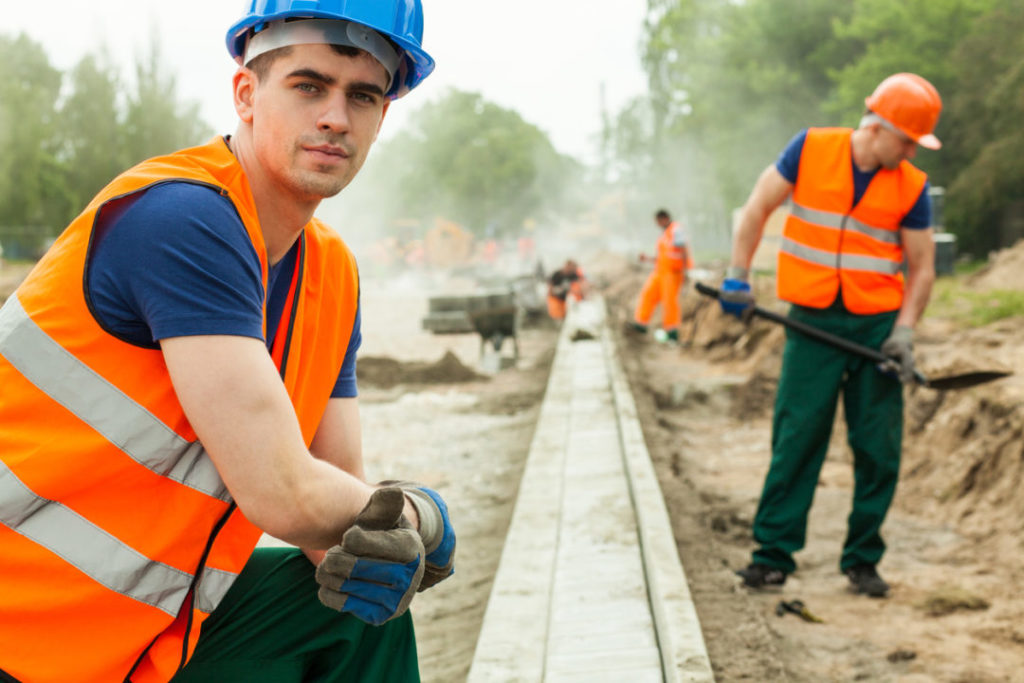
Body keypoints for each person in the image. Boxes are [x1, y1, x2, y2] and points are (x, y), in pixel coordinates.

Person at [0, 2, 456, 682]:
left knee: (353, 615)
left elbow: (332, 512)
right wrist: (423, 516)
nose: (336, 116)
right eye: (309, 86)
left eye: (363, 95)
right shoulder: (184, 220)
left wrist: (379, 547)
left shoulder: (331, 274)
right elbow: (283, 492)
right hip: (22, 628)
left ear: (381, 118)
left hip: (143, 634)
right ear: (246, 93)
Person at [719, 72, 942, 598]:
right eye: (908, 139)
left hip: (875, 330)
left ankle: (862, 560)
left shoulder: (910, 185)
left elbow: (923, 266)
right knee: (797, 437)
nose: (911, 151)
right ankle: (772, 556)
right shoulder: (810, 149)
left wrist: (905, 333)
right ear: (880, 127)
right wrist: (737, 275)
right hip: (812, 321)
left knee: (877, 447)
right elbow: (757, 207)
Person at [630, 208, 690, 343]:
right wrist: (647, 258)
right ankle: (641, 323)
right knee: (648, 294)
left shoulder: (676, 230)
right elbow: (663, 257)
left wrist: (685, 272)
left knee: (669, 302)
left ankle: (672, 332)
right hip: (660, 271)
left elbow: (683, 250)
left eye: (658, 221)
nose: (657, 224)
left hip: (673, 273)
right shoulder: (664, 234)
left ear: (664, 218)